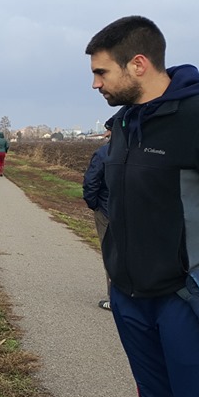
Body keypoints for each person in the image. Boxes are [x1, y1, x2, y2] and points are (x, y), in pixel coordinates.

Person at [86, 15, 199, 397]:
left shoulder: (198, 115)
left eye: (101, 72)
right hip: (130, 297)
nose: (95, 84)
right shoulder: (123, 124)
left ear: (138, 64)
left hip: (185, 300)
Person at [81, 121, 112, 311]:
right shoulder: (139, 151)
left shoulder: (103, 153)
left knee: (110, 253)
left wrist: (94, 204)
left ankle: (115, 298)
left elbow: (91, 181)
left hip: (107, 210)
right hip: (134, 212)